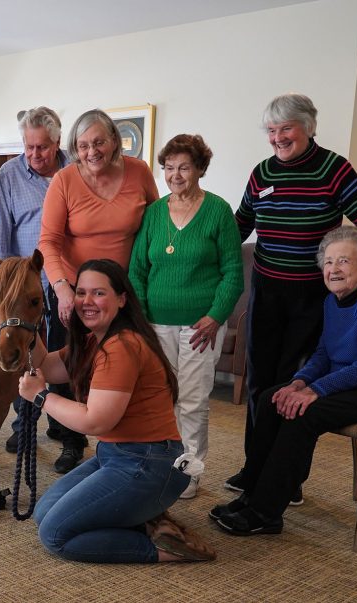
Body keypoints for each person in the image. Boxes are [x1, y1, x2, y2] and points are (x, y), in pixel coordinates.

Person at [227, 93, 357, 499]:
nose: (277, 138)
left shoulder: (333, 169)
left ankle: (285, 479)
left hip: (310, 297)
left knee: (294, 385)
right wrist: (206, 261)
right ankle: (255, 467)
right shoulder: (261, 173)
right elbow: (239, 227)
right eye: (271, 131)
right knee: (260, 383)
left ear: (308, 127)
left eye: (285, 128)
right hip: (267, 291)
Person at [212, 226, 357, 536]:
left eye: (343, 262)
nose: (333, 269)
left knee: (304, 413)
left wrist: (315, 390)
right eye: (328, 262)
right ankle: (252, 495)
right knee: (273, 399)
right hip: (353, 385)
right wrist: (298, 383)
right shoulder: (331, 300)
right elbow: (323, 354)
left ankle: (266, 512)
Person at [19, 259, 215, 563]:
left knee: (55, 534)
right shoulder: (93, 342)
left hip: (148, 463)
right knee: (44, 513)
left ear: (122, 299)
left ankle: (161, 549)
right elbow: (45, 366)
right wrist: (24, 320)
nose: (87, 301)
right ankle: (150, 520)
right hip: (116, 456)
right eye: (81, 292)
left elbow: (95, 421)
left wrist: (41, 397)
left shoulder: (121, 346)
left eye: (99, 293)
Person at [38, 108, 159, 473]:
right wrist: (62, 289)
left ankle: (120, 440)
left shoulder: (139, 172)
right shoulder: (64, 180)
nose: (92, 151)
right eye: (83, 145)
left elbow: (154, 227)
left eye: (99, 142)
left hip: (123, 291)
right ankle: (71, 441)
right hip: (73, 289)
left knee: (119, 367)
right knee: (70, 362)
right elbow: (48, 241)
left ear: (114, 141)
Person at [129, 134, 243, 499]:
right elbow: (137, 270)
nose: (175, 175)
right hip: (156, 323)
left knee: (192, 400)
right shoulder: (154, 212)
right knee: (162, 397)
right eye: (168, 168)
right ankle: (163, 464)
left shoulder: (219, 211)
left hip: (201, 325)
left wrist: (215, 316)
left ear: (199, 169)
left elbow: (232, 272)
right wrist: (142, 318)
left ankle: (189, 471)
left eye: (183, 167)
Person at [0, 106, 69, 454]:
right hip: (26, 287)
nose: (35, 155)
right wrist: (0, 287)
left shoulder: (76, 170)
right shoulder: (9, 173)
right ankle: (25, 427)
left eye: (43, 147)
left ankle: (68, 435)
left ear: (57, 141)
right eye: (29, 146)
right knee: (26, 358)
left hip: (67, 282)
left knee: (67, 357)